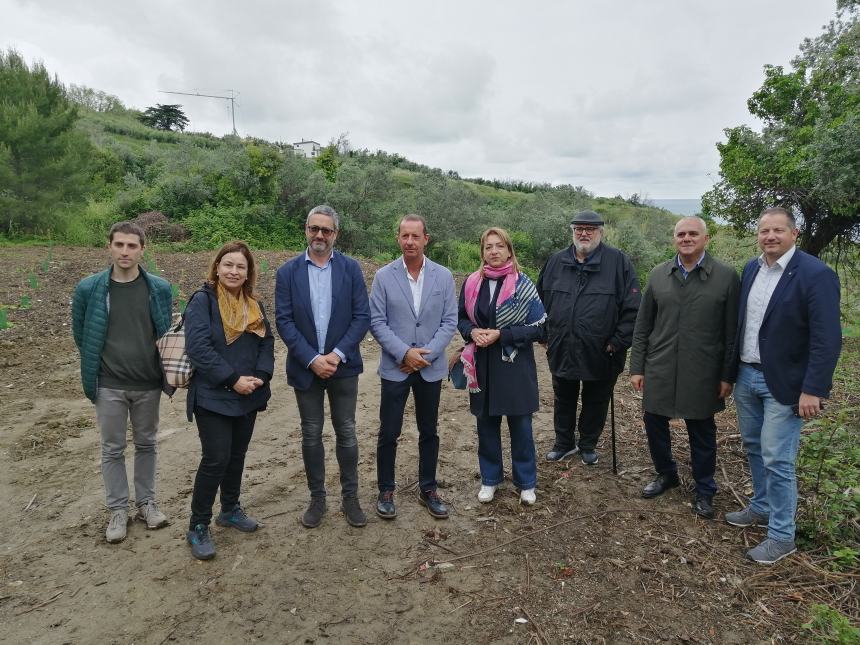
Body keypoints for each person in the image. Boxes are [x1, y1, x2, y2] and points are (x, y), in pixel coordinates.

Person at [727, 207, 841, 564]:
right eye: (764, 231)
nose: (770, 236)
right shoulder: (752, 268)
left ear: (794, 234)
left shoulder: (815, 274)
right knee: (754, 446)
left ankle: (781, 536)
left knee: (778, 458)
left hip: (787, 383)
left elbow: (827, 338)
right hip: (747, 374)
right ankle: (760, 505)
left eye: (778, 230)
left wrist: (814, 389)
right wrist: (731, 373)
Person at [630, 216, 739, 519]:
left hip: (703, 370)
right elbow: (643, 327)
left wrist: (727, 375)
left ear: (706, 239)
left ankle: (705, 489)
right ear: (674, 239)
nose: (686, 238)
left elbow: (732, 333)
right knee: (654, 421)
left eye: (693, 233)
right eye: (681, 234)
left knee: (701, 430)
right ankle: (667, 474)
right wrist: (637, 367)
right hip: (660, 365)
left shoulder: (726, 277)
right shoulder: (658, 275)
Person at [72, 221, 173, 544]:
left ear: (143, 249)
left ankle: (146, 503)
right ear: (110, 247)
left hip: (147, 383)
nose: (125, 251)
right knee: (112, 449)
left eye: (132, 246)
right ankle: (118, 510)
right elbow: (82, 334)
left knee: (147, 444)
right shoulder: (89, 289)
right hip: (109, 384)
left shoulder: (159, 288)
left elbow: (164, 331)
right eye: (120, 245)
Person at [275, 205, 371, 529]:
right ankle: (317, 499)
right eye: (314, 228)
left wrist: (337, 354)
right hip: (306, 369)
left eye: (326, 230)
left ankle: (350, 497)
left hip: (343, 367)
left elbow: (362, 318)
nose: (319, 235)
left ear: (335, 234)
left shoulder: (351, 269)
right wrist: (313, 359)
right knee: (311, 433)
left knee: (346, 431)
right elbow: (284, 321)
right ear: (306, 229)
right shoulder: (287, 272)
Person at [183, 241, 274, 560]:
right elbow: (198, 349)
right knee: (215, 459)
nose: (234, 271)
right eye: (228, 265)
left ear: (249, 273)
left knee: (237, 455)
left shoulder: (254, 305)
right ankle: (197, 525)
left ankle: (230, 509)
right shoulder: (203, 302)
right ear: (217, 268)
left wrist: (261, 375)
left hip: (248, 394)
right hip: (213, 395)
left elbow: (267, 343)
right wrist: (233, 379)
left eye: (241, 267)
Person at [369, 215, 458, 519]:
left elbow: (449, 321)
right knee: (389, 431)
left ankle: (428, 488)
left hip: (430, 369)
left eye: (415, 236)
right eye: (404, 236)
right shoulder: (383, 276)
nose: (409, 242)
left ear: (426, 239)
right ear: (398, 238)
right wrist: (404, 353)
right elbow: (377, 322)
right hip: (396, 368)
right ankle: (386, 489)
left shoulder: (443, 276)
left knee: (429, 430)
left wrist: (426, 356)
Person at [536, 210, 640, 466]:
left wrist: (617, 342)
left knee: (597, 398)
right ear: (572, 231)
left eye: (590, 229)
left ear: (600, 232)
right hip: (562, 345)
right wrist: (544, 334)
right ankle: (563, 443)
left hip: (604, 350)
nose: (584, 233)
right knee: (563, 396)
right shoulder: (555, 261)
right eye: (578, 229)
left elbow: (634, 308)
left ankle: (588, 444)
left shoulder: (619, 262)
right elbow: (538, 302)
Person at [458, 228, 546, 505]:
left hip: (515, 364)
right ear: (482, 252)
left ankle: (526, 482)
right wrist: (472, 333)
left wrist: (502, 335)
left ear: (509, 250)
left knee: (521, 425)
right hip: (482, 363)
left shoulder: (523, 284)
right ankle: (490, 479)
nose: (493, 251)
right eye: (488, 247)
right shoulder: (472, 283)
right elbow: (461, 319)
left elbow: (540, 328)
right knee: (486, 424)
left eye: (499, 246)